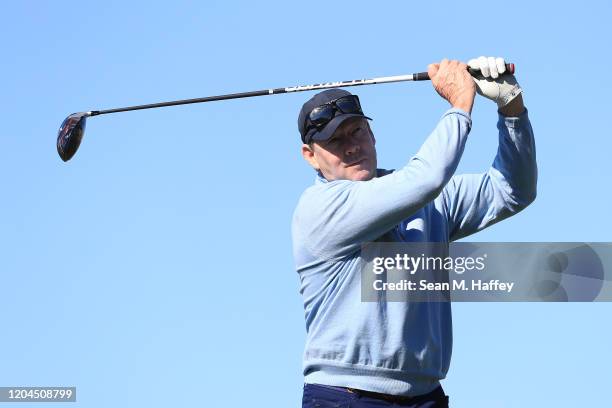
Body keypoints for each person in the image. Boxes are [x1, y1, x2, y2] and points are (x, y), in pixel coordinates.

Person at [292, 57, 537, 408]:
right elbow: (425, 179)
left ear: (372, 134)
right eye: (334, 142)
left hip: (425, 397)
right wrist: (460, 103)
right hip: (345, 396)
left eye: (357, 131)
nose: (351, 146)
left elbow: (513, 190)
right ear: (310, 156)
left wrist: (511, 108)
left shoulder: (425, 198)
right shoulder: (320, 207)